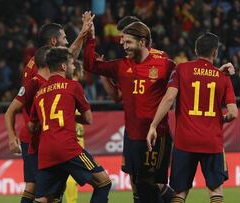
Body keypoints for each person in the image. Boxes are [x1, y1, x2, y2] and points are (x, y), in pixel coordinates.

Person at [83, 21, 175, 203]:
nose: (124, 47)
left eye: (128, 43)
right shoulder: (121, 66)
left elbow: (188, 78)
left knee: (148, 182)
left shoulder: (164, 64)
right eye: (123, 43)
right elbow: (90, 65)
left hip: (156, 136)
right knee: (138, 182)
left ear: (142, 42)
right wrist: (90, 38)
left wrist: (216, 72)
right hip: (132, 137)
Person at [146, 32, 238, 203]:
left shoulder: (181, 69)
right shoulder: (223, 78)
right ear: (215, 52)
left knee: (179, 193)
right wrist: (220, 119)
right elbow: (233, 113)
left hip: (185, 142)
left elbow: (169, 98)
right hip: (212, 142)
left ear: (196, 50)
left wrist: (153, 125)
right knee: (215, 190)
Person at [30, 47, 111, 203]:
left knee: (44, 199)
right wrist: (70, 116)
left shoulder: (39, 93)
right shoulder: (73, 86)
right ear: (64, 67)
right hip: (67, 149)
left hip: (45, 152)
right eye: (72, 64)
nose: (74, 67)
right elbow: (88, 119)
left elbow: (32, 126)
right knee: (103, 182)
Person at [5, 45, 51, 203]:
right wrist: (12, 138)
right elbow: (10, 111)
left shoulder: (51, 81)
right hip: (33, 141)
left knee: (34, 185)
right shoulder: (34, 82)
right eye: (64, 38)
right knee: (41, 188)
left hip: (42, 140)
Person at [65, 60, 86, 203]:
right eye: (82, 70)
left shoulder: (65, 85)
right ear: (77, 71)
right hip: (73, 135)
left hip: (74, 133)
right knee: (72, 177)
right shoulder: (74, 86)